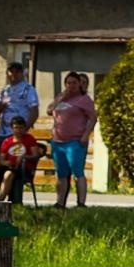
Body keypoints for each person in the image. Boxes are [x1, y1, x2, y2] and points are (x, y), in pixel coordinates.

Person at [47, 72, 97, 208]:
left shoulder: (84, 99)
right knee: (62, 174)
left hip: (74, 141)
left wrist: (86, 135)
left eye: (74, 83)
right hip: (58, 141)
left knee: (77, 172)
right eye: (68, 83)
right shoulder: (62, 98)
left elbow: (93, 118)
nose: (71, 85)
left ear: (79, 84)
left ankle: (81, 202)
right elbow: (49, 110)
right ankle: (60, 202)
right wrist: (60, 98)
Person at [0, 116, 46, 203]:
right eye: (16, 128)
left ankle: (0, 201)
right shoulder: (7, 141)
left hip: (23, 168)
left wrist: (25, 157)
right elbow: (1, 159)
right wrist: (6, 162)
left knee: (8, 174)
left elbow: (36, 155)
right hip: (8, 166)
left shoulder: (29, 139)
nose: (18, 130)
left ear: (24, 128)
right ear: (12, 128)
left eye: (21, 128)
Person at [0, 62, 38, 159]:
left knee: (17, 162)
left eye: (17, 72)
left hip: (18, 134)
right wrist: (0, 108)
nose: (14, 74)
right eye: (11, 71)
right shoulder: (4, 90)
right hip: (3, 133)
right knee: (2, 163)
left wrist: (23, 130)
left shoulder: (28, 89)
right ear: (7, 73)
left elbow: (34, 112)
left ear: (22, 73)